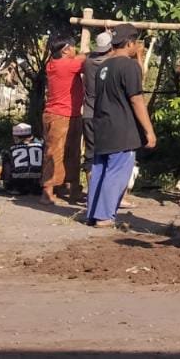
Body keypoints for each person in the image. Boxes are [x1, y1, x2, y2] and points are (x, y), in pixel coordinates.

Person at [86, 25, 156, 227]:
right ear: (130, 43)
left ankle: (94, 213)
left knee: (100, 169)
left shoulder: (102, 67)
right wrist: (149, 131)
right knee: (117, 172)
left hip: (102, 126)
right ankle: (105, 216)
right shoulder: (129, 66)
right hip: (122, 129)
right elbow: (136, 99)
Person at [41, 36, 85, 205]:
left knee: (72, 153)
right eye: (74, 47)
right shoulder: (67, 65)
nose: (76, 50)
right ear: (66, 50)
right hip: (60, 115)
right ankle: (47, 191)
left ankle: (73, 189)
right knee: (55, 153)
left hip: (70, 114)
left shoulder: (52, 63)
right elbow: (86, 60)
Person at [81, 31, 113, 170]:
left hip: (88, 113)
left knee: (90, 153)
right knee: (109, 153)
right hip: (106, 115)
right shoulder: (112, 64)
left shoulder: (87, 62)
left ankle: (92, 190)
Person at [0, 123, 43, 195]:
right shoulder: (42, 146)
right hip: (39, 186)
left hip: (16, 187)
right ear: (31, 136)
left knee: (6, 159)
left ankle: (13, 186)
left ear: (15, 137)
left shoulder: (8, 148)